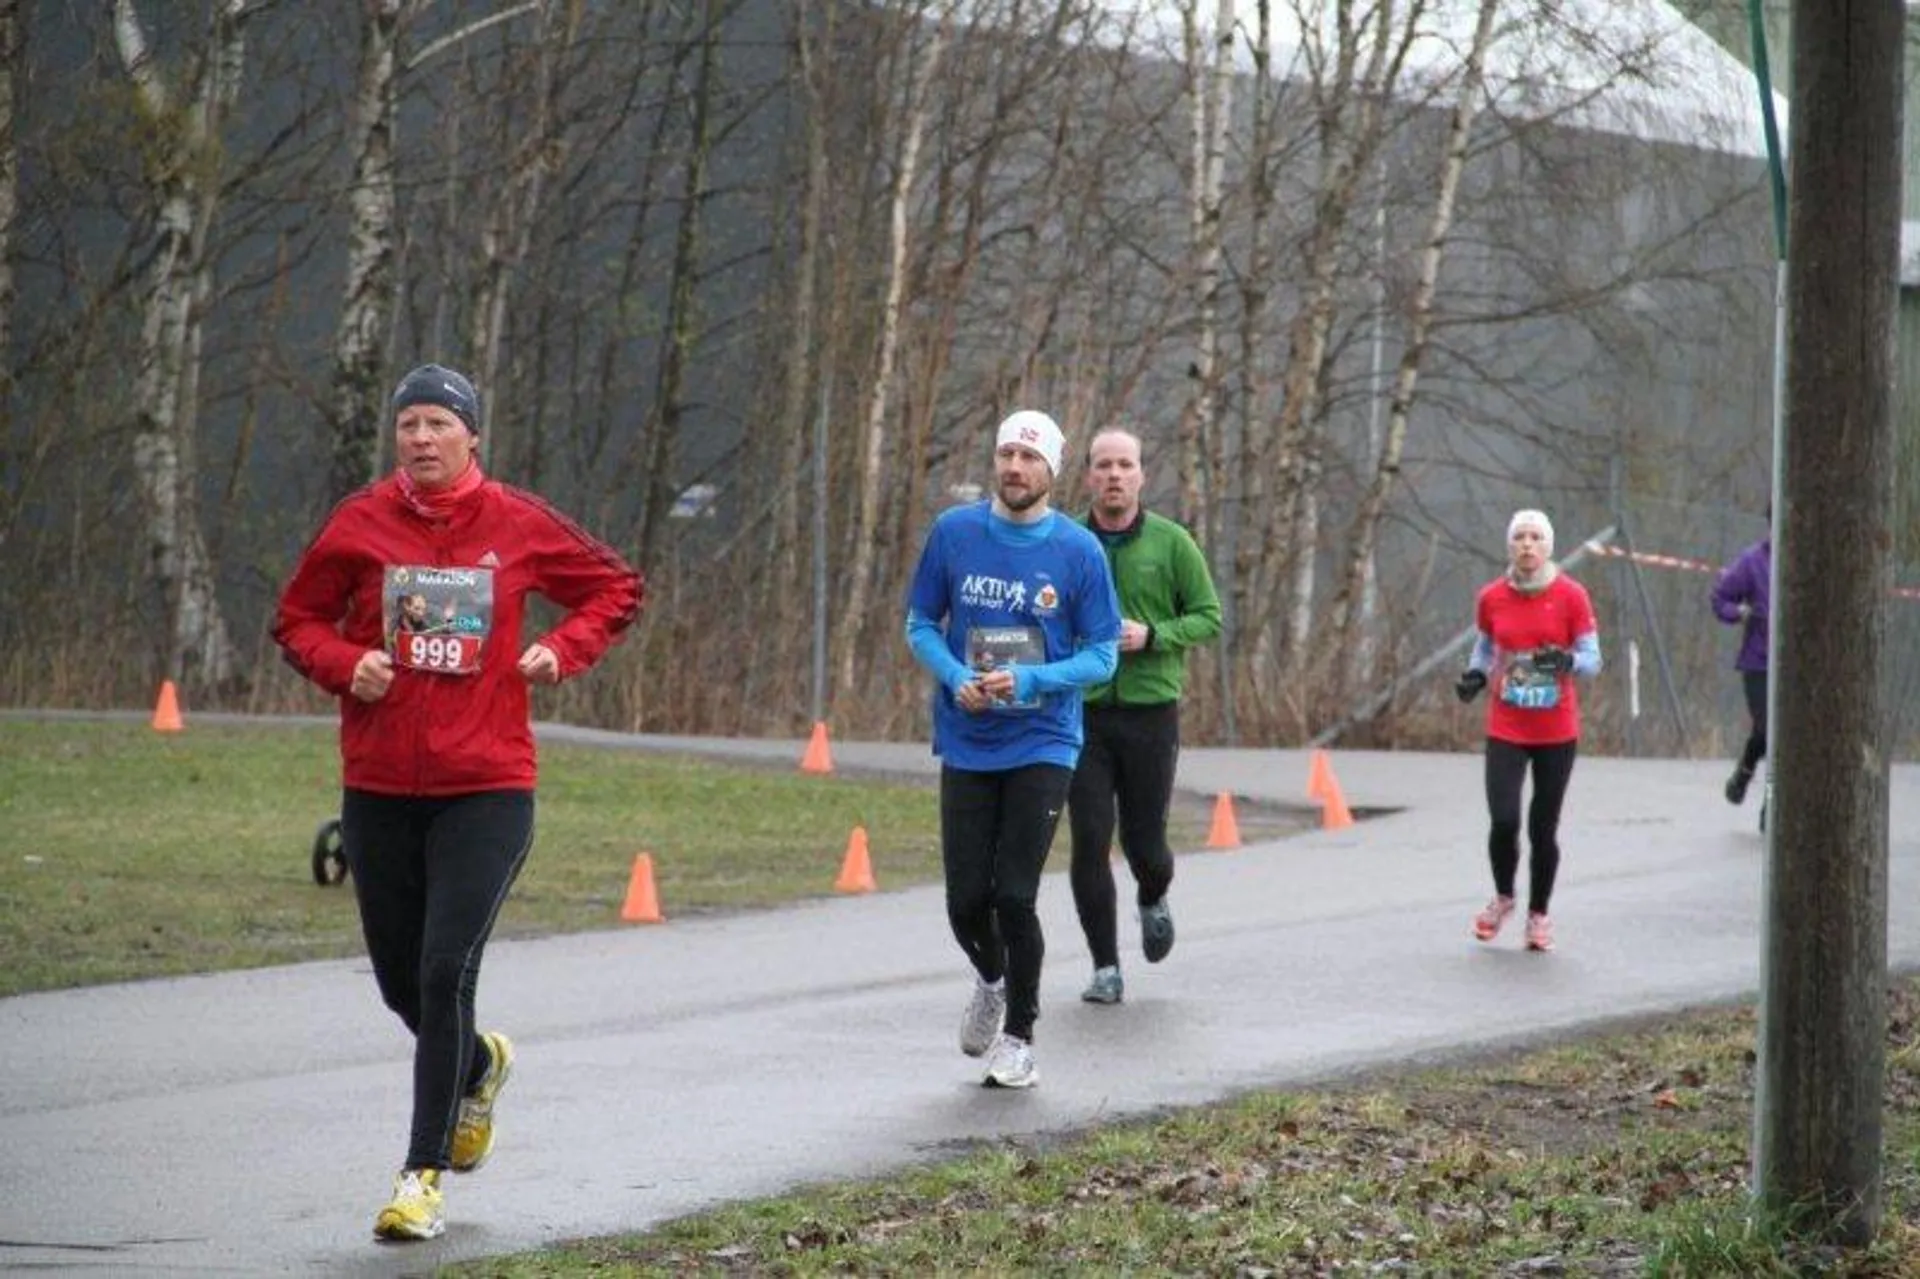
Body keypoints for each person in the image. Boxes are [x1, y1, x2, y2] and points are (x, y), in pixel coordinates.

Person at [273, 363, 643, 1242]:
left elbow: (615, 587)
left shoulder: (516, 522)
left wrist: (562, 648)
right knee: (405, 984)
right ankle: (480, 1065)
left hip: (487, 787)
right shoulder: (359, 523)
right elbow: (297, 619)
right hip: (378, 788)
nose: (423, 439)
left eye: (440, 423)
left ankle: (419, 1178)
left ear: (473, 436)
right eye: (410, 425)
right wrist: (343, 662)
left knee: (446, 972)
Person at [905, 409, 1122, 1089]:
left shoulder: (1078, 551)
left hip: (1044, 740)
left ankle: (1020, 1036)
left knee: (1013, 894)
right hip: (969, 737)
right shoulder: (955, 533)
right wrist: (956, 676)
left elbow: (1103, 655)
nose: (1014, 467)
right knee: (965, 900)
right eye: (1005, 453)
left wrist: (1031, 679)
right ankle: (992, 979)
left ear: (1052, 471)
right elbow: (921, 624)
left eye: (1029, 457)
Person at [1067, 428, 1221, 1006]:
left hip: (1150, 712)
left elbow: (1208, 617)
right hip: (1080, 712)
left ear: (1140, 476)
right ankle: (1105, 967)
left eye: (1124, 465)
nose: (1113, 475)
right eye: (1102, 465)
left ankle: (1152, 894)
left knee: (1145, 844)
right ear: (1087, 476)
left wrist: (1152, 635)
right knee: (1088, 838)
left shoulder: (1172, 542)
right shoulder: (1067, 540)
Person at [1454, 508, 1601, 953]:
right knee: (1503, 820)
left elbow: (1593, 659)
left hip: (1556, 729)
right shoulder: (1492, 597)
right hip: (1508, 725)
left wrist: (1567, 661)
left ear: (1548, 546)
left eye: (1536, 537)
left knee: (1542, 829)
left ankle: (1539, 914)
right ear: (1510, 546)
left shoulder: (1572, 596)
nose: (1527, 545)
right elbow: (1485, 644)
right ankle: (1503, 898)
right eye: (1519, 537)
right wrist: (1476, 675)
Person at [1710, 523, 1771, 809]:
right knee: (1767, 730)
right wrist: (1739, 612)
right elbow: (1720, 598)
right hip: (1759, 662)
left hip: (1798, 669)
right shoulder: (1753, 561)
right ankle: (1744, 774)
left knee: (1787, 740)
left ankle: (1771, 810)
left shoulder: (1809, 562)